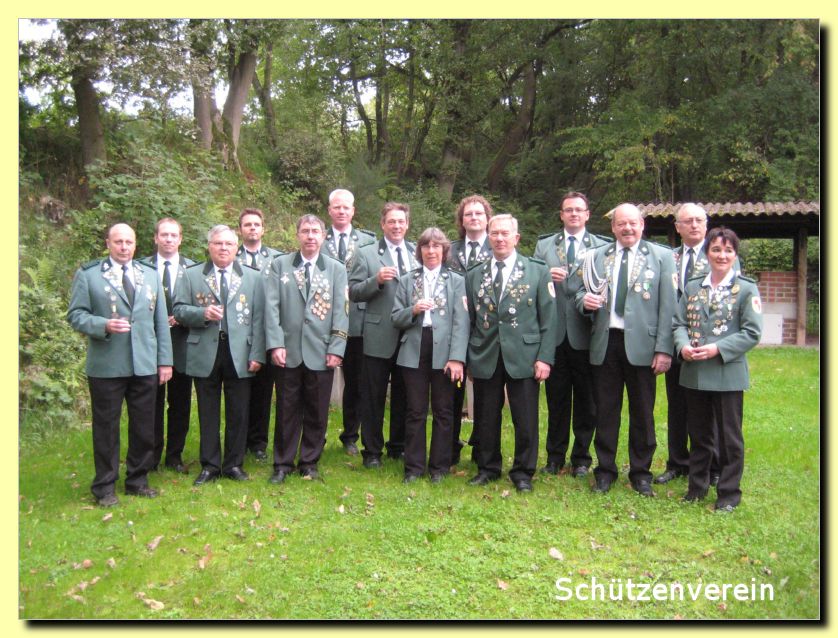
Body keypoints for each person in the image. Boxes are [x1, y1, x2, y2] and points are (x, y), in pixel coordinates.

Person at [67, 223, 173, 506]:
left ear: (136, 244)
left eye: (129, 242)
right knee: (106, 428)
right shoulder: (89, 275)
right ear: (108, 244)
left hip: (144, 363)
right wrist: (103, 324)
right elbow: (76, 315)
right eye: (118, 242)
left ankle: (138, 480)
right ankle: (104, 487)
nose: (124, 247)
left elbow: (160, 322)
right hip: (107, 366)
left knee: (144, 427)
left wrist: (165, 361)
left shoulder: (149, 274)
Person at [577, 203, 676, 496]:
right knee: (605, 410)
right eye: (621, 223)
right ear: (613, 227)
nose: (627, 228)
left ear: (642, 225)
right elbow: (581, 291)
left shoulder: (662, 257)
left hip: (644, 345)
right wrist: (584, 302)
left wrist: (664, 349)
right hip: (606, 342)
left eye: (633, 223)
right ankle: (605, 472)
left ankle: (641, 473)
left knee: (642, 412)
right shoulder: (596, 256)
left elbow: (669, 307)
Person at [465, 214, 557, 493]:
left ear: (516, 238)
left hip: (524, 355)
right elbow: (471, 320)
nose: (499, 238)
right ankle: (488, 468)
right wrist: (470, 356)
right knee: (486, 416)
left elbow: (549, 319)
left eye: (505, 233)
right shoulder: (475, 274)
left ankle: (523, 472)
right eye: (494, 233)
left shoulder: (537, 271)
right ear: (488, 237)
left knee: (525, 417)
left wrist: (545, 358)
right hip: (486, 354)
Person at [673, 227, 762, 512]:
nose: (721, 255)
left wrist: (717, 349)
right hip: (695, 373)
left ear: (735, 255)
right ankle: (696, 488)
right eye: (716, 249)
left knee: (729, 438)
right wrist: (682, 346)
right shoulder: (693, 287)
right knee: (699, 435)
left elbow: (752, 332)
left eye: (728, 250)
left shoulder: (746, 288)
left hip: (727, 373)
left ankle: (728, 493)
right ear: (707, 253)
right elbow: (679, 324)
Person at [173, 225, 266, 486]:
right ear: (209, 246)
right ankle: (210, 465)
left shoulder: (253, 277)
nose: (223, 248)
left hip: (240, 351)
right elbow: (179, 310)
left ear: (236, 248)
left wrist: (257, 353)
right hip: (205, 350)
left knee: (239, 410)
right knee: (207, 410)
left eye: (228, 244)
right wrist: (202, 314)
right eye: (218, 243)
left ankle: (234, 464)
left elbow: (259, 320)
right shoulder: (191, 275)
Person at [655, 203, 740, 487]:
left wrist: (717, 346)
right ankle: (678, 462)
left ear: (706, 224)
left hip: (710, 347)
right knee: (677, 405)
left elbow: (732, 305)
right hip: (677, 343)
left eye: (698, 220)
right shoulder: (668, 257)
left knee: (710, 410)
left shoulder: (720, 255)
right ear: (677, 227)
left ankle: (712, 465)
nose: (694, 225)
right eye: (687, 221)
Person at [264, 215, 348, 483]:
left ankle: (309, 462)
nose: (310, 236)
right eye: (305, 231)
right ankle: (282, 464)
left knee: (317, 410)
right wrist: (275, 343)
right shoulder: (280, 265)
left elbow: (341, 311)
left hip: (321, 351)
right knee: (286, 409)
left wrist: (337, 347)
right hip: (288, 350)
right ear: (297, 234)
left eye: (315, 231)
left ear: (323, 236)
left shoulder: (335, 269)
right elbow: (271, 307)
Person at [533, 192, 607, 479]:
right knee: (557, 400)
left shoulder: (601, 246)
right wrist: (545, 275)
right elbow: (532, 282)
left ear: (587, 214)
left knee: (587, 401)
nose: (574, 214)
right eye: (568, 210)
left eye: (579, 210)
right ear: (561, 215)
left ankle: (581, 458)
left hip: (586, 333)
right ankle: (555, 456)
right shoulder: (545, 245)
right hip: (554, 333)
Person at [392, 228, 468, 483]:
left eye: (436, 246)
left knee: (443, 410)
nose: (431, 251)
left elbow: (461, 322)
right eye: (426, 246)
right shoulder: (407, 280)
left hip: (445, 350)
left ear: (444, 251)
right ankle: (413, 468)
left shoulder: (456, 281)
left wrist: (457, 358)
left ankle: (439, 468)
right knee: (415, 410)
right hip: (414, 349)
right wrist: (413, 310)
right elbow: (395, 318)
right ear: (420, 251)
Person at [349, 202, 417, 468]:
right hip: (378, 334)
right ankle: (372, 451)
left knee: (404, 394)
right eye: (391, 221)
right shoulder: (366, 253)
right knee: (373, 396)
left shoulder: (416, 252)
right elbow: (353, 292)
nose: (396, 226)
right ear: (382, 224)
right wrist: (375, 281)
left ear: (407, 225)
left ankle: (397, 447)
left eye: (401, 221)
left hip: (409, 334)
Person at [321, 189, 376, 456]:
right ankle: (316, 435)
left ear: (353, 211)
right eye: (337, 207)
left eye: (346, 207)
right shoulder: (318, 238)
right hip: (323, 319)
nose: (341, 211)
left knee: (356, 382)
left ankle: (351, 436)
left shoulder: (368, 241)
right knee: (319, 380)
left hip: (357, 320)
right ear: (329, 210)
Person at [139, 218, 195, 474]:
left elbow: (199, 305)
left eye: (174, 235)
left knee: (180, 404)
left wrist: (182, 316)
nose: (169, 239)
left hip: (183, 345)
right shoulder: (141, 268)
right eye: (164, 235)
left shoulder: (192, 269)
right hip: (150, 346)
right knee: (151, 404)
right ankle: (150, 456)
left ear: (180, 239)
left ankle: (174, 455)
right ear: (156, 238)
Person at [446, 195, 493, 465]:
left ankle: (481, 446)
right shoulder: (449, 251)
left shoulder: (498, 247)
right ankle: (450, 446)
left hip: (485, 331)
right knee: (451, 391)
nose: (473, 217)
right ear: (461, 221)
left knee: (486, 393)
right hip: (453, 329)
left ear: (487, 218)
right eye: (468, 214)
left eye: (478, 213)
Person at [235, 208, 284, 463]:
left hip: (268, 331)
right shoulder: (230, 255)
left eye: (256, 224)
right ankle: (238, 440)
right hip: (240, 333)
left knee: (264, 391)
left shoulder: (277, 259)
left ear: (263, 229)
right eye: (247, 224)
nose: (252, 228)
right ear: (240, 230)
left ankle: (258, 442)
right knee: (241, 390)